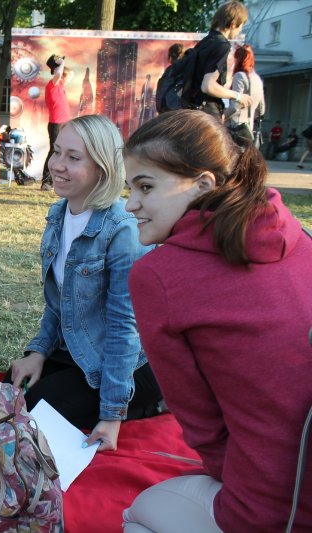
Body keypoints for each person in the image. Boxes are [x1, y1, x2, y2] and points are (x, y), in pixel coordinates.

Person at [122, 109, 312, 532]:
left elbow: (201, 423)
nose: (131, 203)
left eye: (146, 186)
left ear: (203, 184)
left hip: (276, 507)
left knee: (136, 516)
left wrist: (244, 485)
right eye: (129, 187)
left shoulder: (158, 276)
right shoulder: (299, 236)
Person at [7, 114, 163, 452]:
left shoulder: (123, 229)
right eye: (57, 152)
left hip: (129, 365)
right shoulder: (58, 215)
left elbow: (125, 327)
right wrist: (37, 352)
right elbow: (59, 303)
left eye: (74, 157)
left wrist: (111, 414)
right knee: (11, 389)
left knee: (35, 407)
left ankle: (148, 404)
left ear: (102, 168)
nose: (57, 165)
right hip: (79, 350)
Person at [185, 1, 252, 119]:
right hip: (205, 113)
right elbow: (208, 86)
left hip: (191, 110)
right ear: (233, 24)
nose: (240, 31)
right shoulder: (222, 45)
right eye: (241, 26)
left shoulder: (205, 42)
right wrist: (237, 96)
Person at [41, 55, 72, 191]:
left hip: (63, 124)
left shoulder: (61, 87)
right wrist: (61, 63)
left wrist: (62, 64)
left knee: (62, 152)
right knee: (54, 151)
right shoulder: (52, 85)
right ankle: (46, 182)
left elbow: (69, 73)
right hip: (56, 124)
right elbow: (59, 74)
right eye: (67, 77)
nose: (68, 79)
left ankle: (56, 180)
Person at [224, 44, 264, 144]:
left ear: (238, 59)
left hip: (235, 126)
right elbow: (261, 109)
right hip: (248, 129)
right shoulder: (257, 78)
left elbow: (235, 106)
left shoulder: (239, 75)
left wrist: (221, 117)